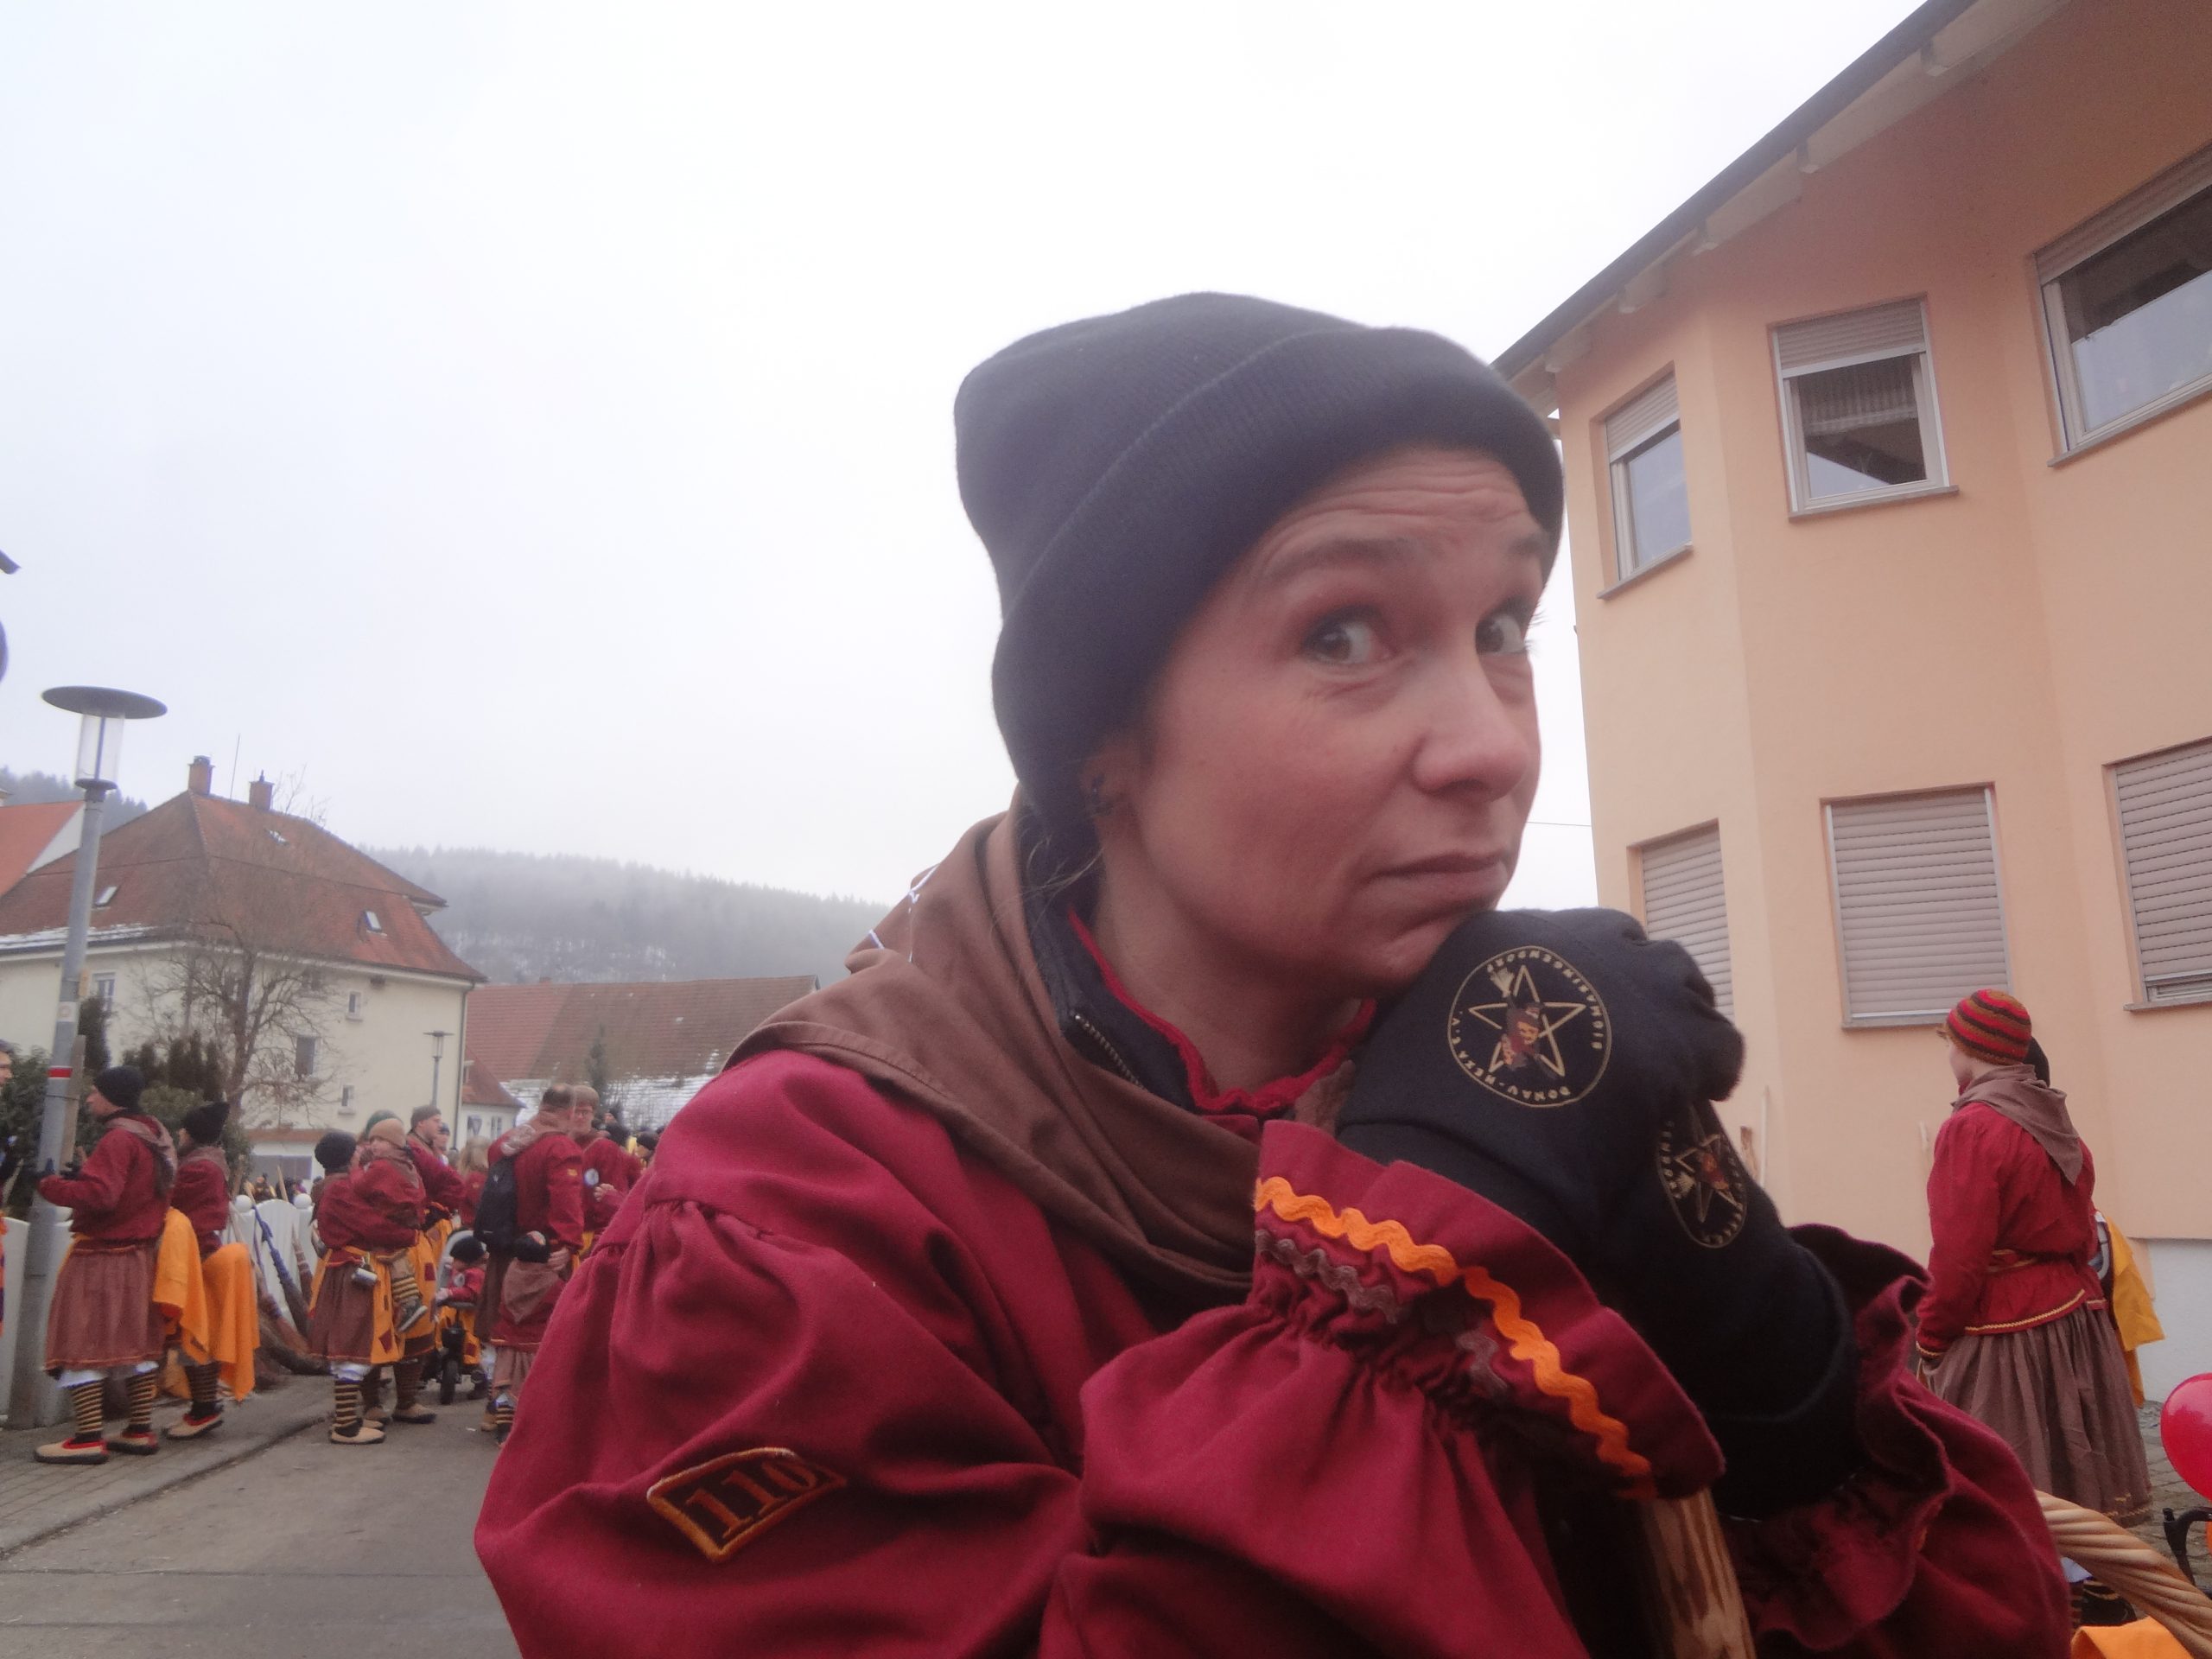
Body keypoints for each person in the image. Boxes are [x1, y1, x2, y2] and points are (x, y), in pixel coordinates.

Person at [477, 294, 2069, 1655]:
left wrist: (1783, 1385)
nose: (1490, 748)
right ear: (1103, 740)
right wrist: (1403, 1272)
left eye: (1504, 626)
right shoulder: (804, 1220)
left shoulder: (1525, 1070)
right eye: (1344, 635)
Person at [1918, 989, 2152, 1532]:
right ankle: (2090, 1574)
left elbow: (1958, 1255)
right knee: (2074, 1473)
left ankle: (2036, 1577)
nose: (1948, 1054)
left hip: (2007, 1328)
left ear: (1968, 1047)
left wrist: (1931, 1336)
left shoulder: (1972, 1127)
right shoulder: (2052, 1115)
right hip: (2076, 1316)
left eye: (1949, 1042)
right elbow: (2083, 1229)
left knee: (2013, 1482)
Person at [34, 1065, 173, 1465]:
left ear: (111, 1097)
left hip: (102, 1258)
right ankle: (139, 1430)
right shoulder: (153, 1136)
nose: (90, 1099)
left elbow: (102, 1197)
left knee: (81, 1341)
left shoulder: (118, 1139)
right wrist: (84, 1177)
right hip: (138, 1258)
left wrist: (50, 1185)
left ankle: (88, 1438)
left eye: (95, 1092)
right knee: (134, 1346)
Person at [484, 1086, 585, 1444]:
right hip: (542, 1253)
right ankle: (530, 1416)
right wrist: (568, 1242)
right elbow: (565, 1201)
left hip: (505, 1250)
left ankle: (495, 1406)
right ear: (569, 1112)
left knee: (504, 1331)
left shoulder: (508, 1142)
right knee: (539, 1337)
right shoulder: (560, 1148)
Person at [165, 1098, 235, 1437]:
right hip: (200, 1253)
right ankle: (203, 1407)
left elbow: (169, 1200)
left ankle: (203, 1409)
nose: (179, 1133)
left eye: (184, 1129)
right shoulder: (210, 1162)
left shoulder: (198, 1168)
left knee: (194, 1335)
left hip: (194, 1257)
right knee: (196, 1334)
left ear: (193, 1133)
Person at [571, 1090, 640, 1243]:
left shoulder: (605, 1149)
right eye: (576, 1111)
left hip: (588, 1237)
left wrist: (600, 1243)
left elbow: (613, 1202)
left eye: (585, 1112)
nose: (580, 1117)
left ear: (593, 1114)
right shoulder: (558, 1145)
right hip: (560, 1235)